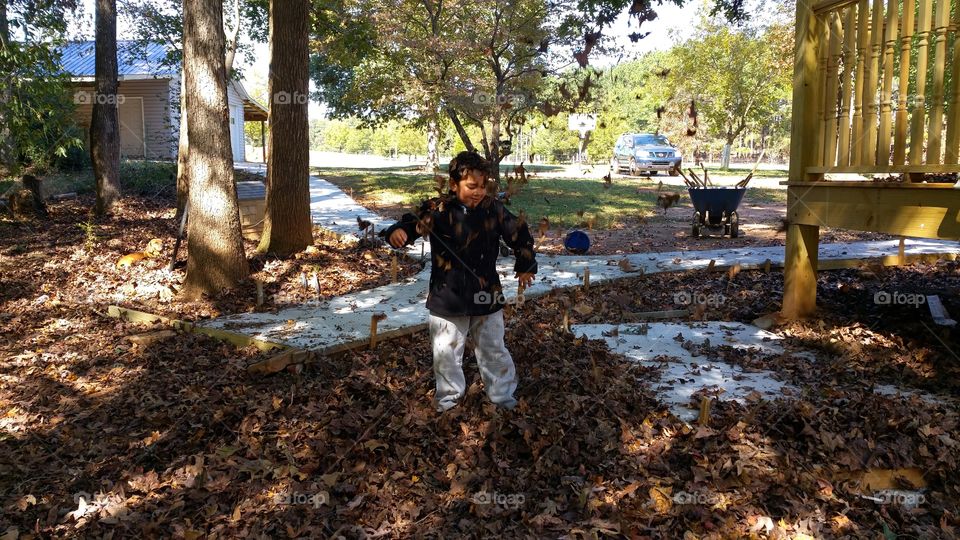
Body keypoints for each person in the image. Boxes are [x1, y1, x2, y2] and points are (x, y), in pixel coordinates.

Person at [383, 151, 537, 412]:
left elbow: (519, 233)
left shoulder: (494, 209)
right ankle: (449, 402)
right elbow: (409, 225)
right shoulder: (437, 210)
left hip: (486, 294)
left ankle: (502, 399)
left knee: (493, 349)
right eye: (471, 186)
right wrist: (396, 233)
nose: (478, 192)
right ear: (453, 185)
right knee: (446, 354)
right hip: (447, 297)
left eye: (483, 185)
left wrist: (525, 265)